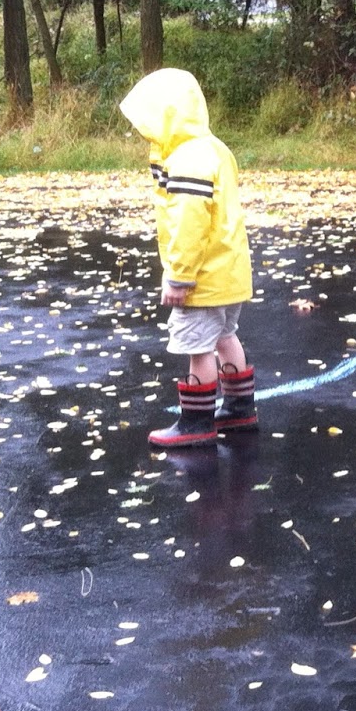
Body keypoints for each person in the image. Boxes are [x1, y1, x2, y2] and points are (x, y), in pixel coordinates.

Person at [119, 67, 257, 447]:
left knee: (198, 346)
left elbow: (189, 222)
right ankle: (240, 409)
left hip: (203, 276)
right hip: (229, 272)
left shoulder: (187, 158)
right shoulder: (214, 148)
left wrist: (179, 276)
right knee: (226, 335)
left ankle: (196, 423)